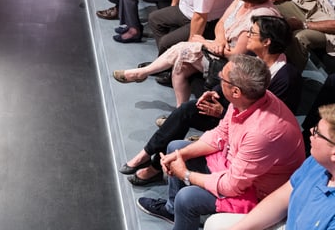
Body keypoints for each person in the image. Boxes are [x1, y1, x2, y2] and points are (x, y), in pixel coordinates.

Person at [122, 16, 302, 187]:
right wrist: (213, 93)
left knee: (186, 119)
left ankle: (154, 167)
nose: (246, 34)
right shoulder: (255, 58)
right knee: (187, 109)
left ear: (266, 41)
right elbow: (229, 80)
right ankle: (147, 154)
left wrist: (222, 113)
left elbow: (269, 119)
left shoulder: (286, 78)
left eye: (252, 32)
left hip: (247, 130)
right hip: (231, 109)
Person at [137, 55, 305, 230]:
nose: (218, 76)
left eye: (222, 77)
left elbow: (232, 186)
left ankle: (182, 215)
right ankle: (172, 211)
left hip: (257, 192)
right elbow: (220, 135)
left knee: (187, 198)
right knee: (176, 148)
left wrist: (185, 174)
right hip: (236, 165)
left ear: (236, 92)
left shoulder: (262, 133)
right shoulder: (248, 99)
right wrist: (180, 156)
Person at [114, 0, 279, 107]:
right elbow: (221, 23)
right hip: (219, 47)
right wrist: (219, 40)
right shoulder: (242, 0)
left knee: (182, 48)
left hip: (236, 64)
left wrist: (206, 44)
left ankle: (142, 73)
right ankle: (179, 110)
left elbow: (238, 56)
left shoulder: (259, 17)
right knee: (181, 66)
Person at [204, 103, 335, 230]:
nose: (311, 130)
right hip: (290, 224)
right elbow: (280, 200)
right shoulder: (315, 163)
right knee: (215, 224)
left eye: (318, 132)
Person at [270, 0, 335, 70]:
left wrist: (304, 25)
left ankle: (283, 77)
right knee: (271, 3)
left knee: (300, 37)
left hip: (331, 28)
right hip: (321, 9)